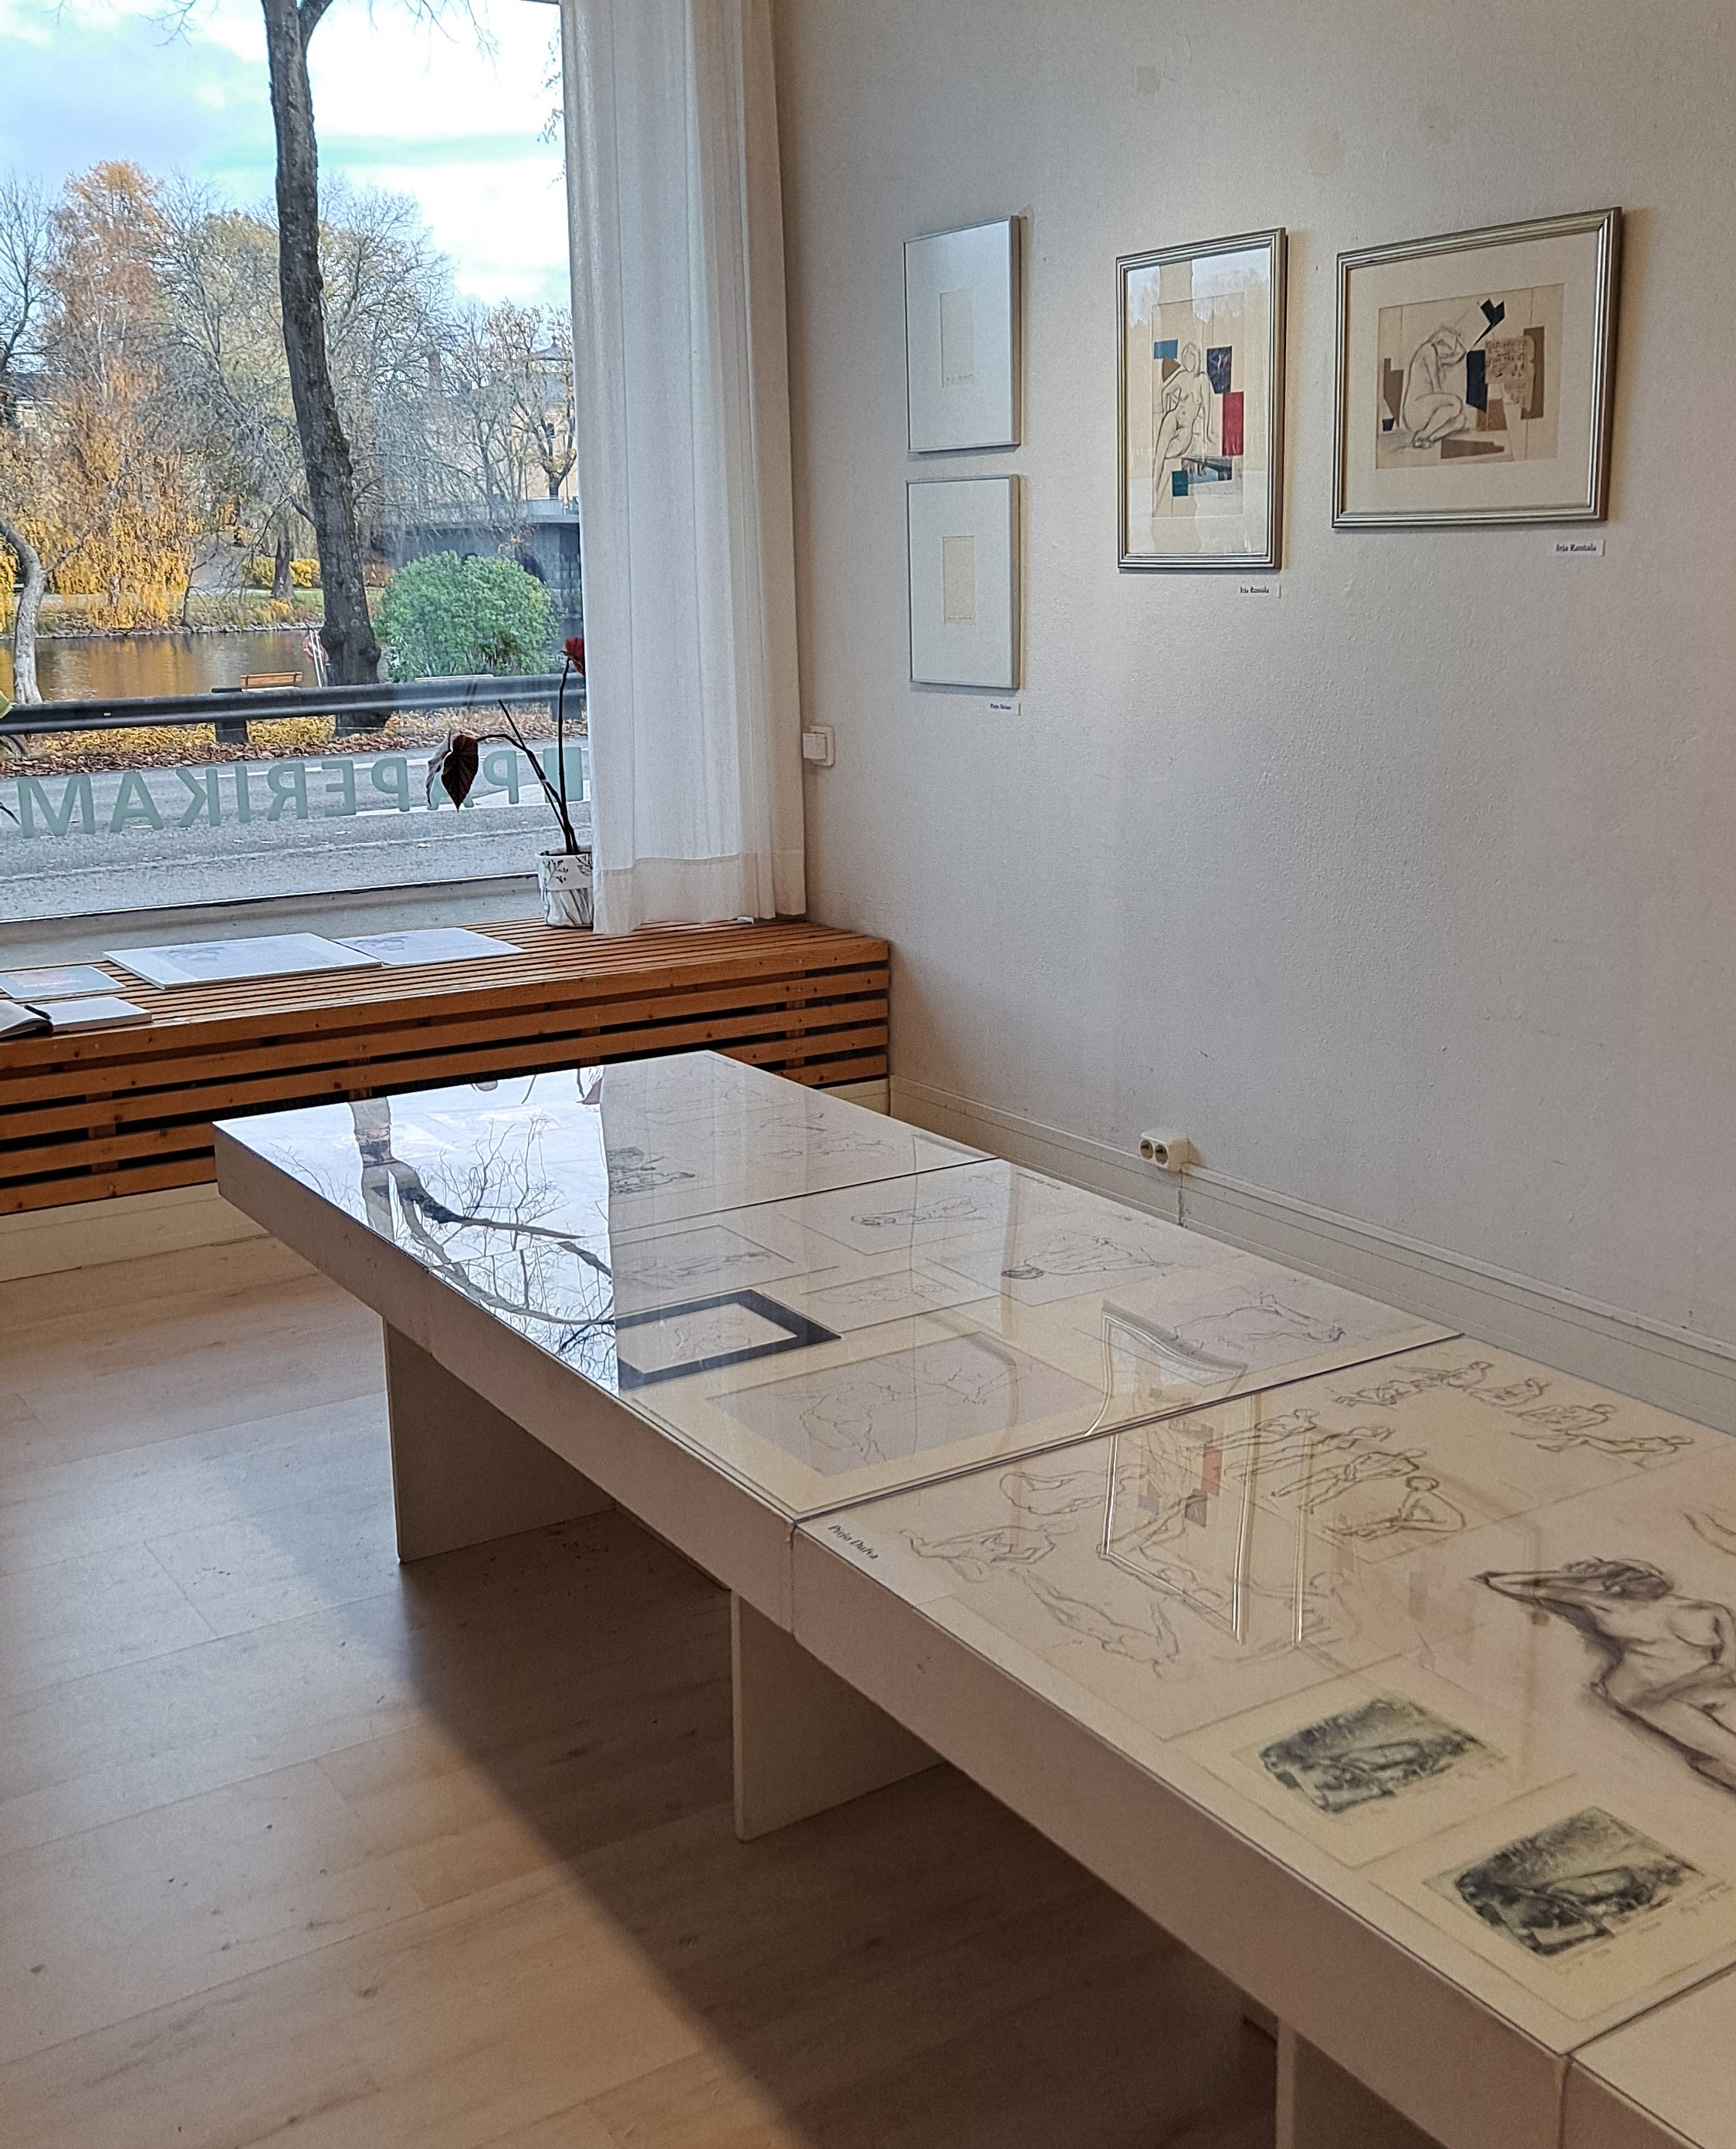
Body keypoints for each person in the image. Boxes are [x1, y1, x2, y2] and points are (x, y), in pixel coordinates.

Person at [1482, 1560, 1736, 1791]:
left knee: (1719, 1748)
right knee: (1724, 1751)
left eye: (1648, 1574)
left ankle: (1717, 1767)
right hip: (1640, 1690)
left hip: (1697, 1685)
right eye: (1635, 1577)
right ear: (1617, 1582)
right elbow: (1503, 1582)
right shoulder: (1604, 1604)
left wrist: (1678, 1687)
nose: (1648, 1580)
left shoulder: (1708, 1610)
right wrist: (1571, 1579)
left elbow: (1729, 1663)